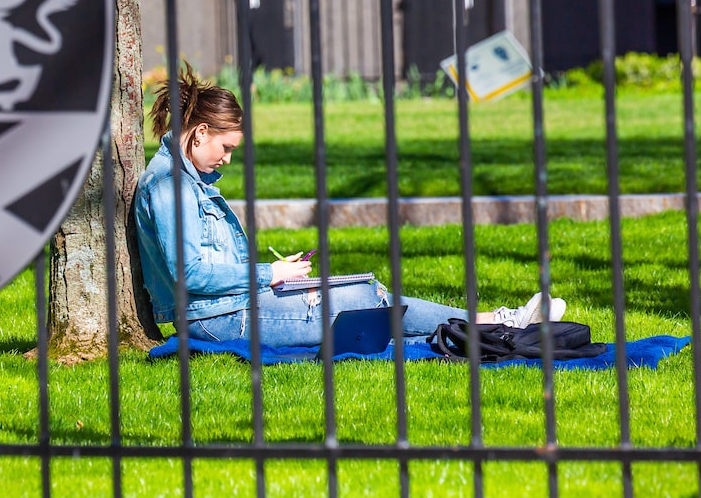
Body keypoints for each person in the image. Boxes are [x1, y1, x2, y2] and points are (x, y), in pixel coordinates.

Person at [133, 65, 566, 349]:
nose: (227, 160)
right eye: (225, 148)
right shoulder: (170, 186)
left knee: (369, 295)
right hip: (216, 319)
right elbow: (189, 275)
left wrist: (275, 278)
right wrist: (272, 274)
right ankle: (496, 327)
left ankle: (492, 323)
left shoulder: (191, 180)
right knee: (364, 304)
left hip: (236, 304)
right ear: (201, 132)